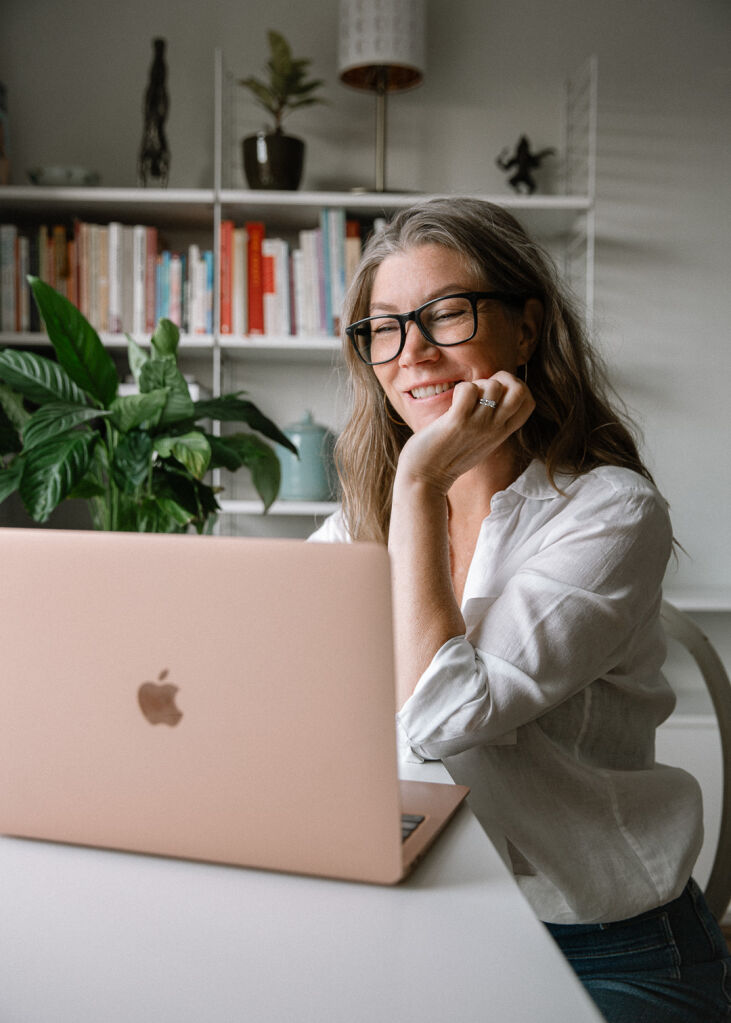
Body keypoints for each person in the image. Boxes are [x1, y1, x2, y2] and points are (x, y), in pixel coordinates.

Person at [310, 197, 731, 1022]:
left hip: (604, 946)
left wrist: (421, 483)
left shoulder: (608, 511)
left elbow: (442, 717)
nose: (413, 352)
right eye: (385, 327)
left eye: (446, 314)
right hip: (418, 919)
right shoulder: (352, 526)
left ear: (526, 328)